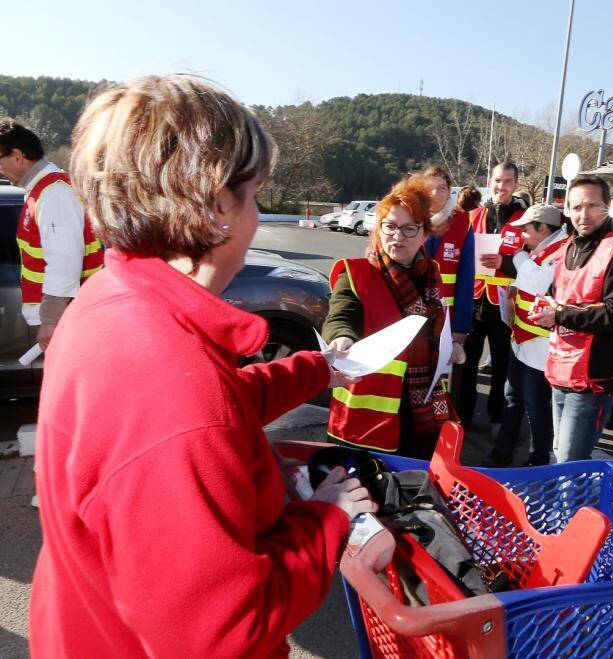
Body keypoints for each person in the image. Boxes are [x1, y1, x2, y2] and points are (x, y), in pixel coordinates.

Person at [30, 74, 376, 657]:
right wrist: (327, 519)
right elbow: (222, 632)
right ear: (220, 205)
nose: (257, 213)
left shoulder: (111, 300)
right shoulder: (171, 394)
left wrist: (320, 368)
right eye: (255, 193)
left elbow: (220, 401)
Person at [324, 176, 462, 459]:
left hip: (422, 408)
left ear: (425, 233)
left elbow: (437, 328)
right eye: (390, 226)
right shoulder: (356, 272)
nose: (397, 236)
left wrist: (453, 347)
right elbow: (342, 313)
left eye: (409, 229)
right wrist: (340, 336)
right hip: (367, 419)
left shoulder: (432, 273)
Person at [531, 175, 613, 463]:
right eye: (576, 207)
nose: (583, 214)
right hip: (562, 368)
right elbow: (562, 295)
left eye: (592, 206)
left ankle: (573, 508)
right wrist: (548, 306)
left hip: (594, 378)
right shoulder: (570, 246)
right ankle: (567, 507)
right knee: (561, 455)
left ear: (607, 207)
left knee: (569, 462)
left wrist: (560, 314)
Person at [0, 119, 103, 351]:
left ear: (18, 156)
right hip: (66, 316)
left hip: (67, 318)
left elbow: (63, 261)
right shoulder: (40, 191)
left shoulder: (53, 193)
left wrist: (50, 319)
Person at [487, 204, 567, 467]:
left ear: (544, 228)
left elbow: (536, 282)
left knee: (536, 407)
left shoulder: (562, 250)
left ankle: (538, 459)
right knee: (513, 398)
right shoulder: (542, 249)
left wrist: (519, 258)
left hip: (541, 347)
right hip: (522, 340)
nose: (522, 235)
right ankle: (503, 451)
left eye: (527, 230)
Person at [457, 161, 527, 430]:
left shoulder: (525, 219)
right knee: (468, 362)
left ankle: (497, 415)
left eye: (508, 181)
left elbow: (534, 260)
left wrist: (505, 264)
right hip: (473, 300)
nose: (502, 186)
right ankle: (464, 414)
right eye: (498, 180)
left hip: (506, 302)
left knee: (501, 366)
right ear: (491, 181)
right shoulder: (474, 215)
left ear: (515, 184)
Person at [421, 166, 474, 404]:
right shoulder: (410, 218)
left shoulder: (462, 223)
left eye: (442, 187)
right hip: (411, 318)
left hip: (446, 320)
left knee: (441, 382)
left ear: (450, 191)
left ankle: (441, 430)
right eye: (430, 187)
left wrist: (461, 326)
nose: (436, 193)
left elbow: (466, 278)